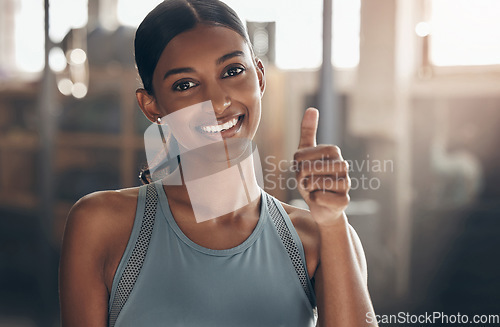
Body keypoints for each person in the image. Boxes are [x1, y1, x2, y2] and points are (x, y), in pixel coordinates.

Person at [59, 0, 377, 326]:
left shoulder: (319, 238)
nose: (218, 101)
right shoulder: (100, 225)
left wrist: (333, 222)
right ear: (151, 106)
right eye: (185, 84)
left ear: (260, 77)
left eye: (233, 71)